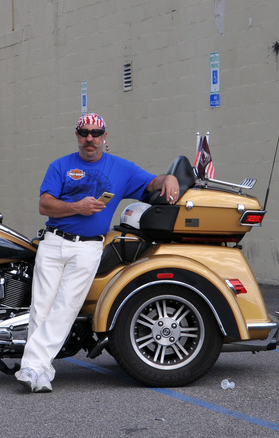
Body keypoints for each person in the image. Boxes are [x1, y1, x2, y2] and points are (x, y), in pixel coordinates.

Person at [16, 113, 180, 393]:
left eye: (95, 133)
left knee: (65, 307)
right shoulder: (60, 166)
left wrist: (171, 178)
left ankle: (32, 366)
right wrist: (76, 207)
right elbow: (45, 205)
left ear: (105, 136)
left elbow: (152, 182)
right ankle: (40, 371)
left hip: (88, 247)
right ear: (77, 136)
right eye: (84, 133)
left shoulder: (122, 169)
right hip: (54, 242)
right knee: (40, 308)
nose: (89, 138)